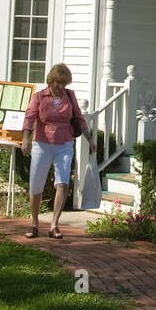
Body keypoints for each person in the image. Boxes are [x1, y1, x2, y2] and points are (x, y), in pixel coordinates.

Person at [21, 63, 95, 239]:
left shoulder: (69, 96)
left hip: (65, 143)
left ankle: (54, 224)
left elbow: (79, 118)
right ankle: (34, 223)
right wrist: (25, 139)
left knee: (62, 183)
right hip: (42, 142)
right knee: (36, 184)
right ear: (51, 80)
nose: (61, 87)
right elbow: (29, 118)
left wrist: (89, 138)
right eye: (58, 83)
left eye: (64, 83)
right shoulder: (39, 97)